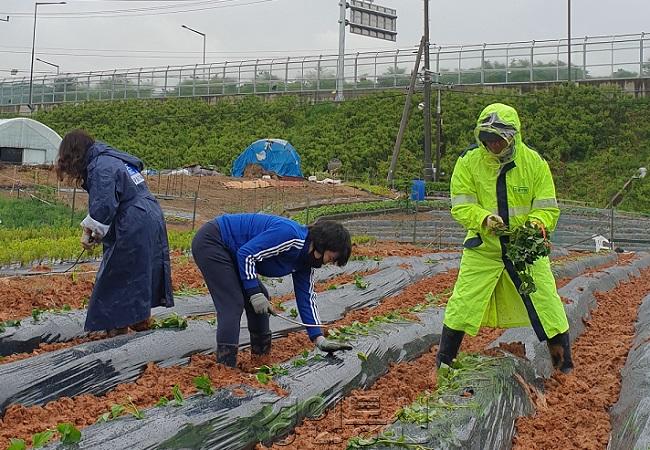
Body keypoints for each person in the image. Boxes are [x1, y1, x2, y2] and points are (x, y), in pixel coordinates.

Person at [438, 103, 573, 374]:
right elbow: (461, 205)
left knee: (547, 305)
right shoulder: (468, 162)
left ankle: (564, 369)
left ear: (513, 137)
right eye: (488, 140)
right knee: (462, 304)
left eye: (498, 140)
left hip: (525, 252)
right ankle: (443, 365)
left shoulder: (534, 163)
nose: (493, 146)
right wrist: (484, 219)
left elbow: (547, 207)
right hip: (484, 249)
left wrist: (535, 225)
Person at [191, 213, 354, 367]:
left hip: (234, 252)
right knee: (232, 303)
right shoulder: (291, 236)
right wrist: (254, 292)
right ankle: (225, 368)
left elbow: (306, 298)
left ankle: (260, 361)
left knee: (262, 300)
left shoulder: (306, 262)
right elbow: (246, 255)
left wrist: (319, 338)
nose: (328, 263)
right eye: (331, 258)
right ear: (322, 244)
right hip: (215, 241)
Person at [55, 129, 174, 336]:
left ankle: (117, 329)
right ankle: (139, 318)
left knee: (118, 273)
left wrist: (90, 231)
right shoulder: (112, 158)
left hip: (134, 220)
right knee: (139, 269)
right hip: (148, 214)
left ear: (74, 154)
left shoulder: (101, 167)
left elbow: (104, 204)